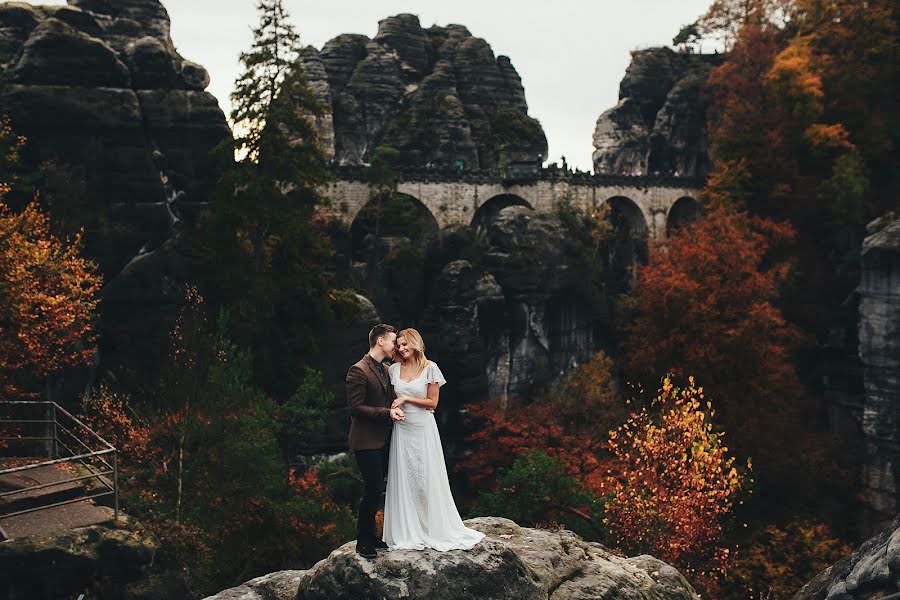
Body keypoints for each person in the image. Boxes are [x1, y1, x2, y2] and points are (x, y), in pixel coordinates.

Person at [382, 328, 484, 551]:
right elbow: (389, 399)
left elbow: (433, 403)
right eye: (398, 345)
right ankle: (410, 529)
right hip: (402, 429)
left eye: (405, 343)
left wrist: (407, 397)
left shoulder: (430, 368)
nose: (401, 348)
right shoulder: (393, 370)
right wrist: (393, 407)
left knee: (426, 476)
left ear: (416, 343)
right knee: (406, 477)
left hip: (423, 428)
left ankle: (433, 527)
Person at [346, 324, 406, 559]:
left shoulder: (386, 368)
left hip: (385, 440)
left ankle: (372, 537)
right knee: (373, 489)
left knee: (378, 488)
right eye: (393, 342)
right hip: (366, 441)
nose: (396, 347)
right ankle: (363, 541)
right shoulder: (358, 370)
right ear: (380, 341)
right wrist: (387, 413)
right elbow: (356, 408)